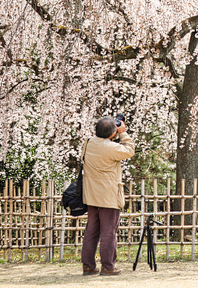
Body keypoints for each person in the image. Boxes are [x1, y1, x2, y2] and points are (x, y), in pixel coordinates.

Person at [81, 116, 135, 276]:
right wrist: (123, 133)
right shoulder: (112, 148)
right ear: (112, 134)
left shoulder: (89, 142)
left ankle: (88, 266)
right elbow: (129, 150)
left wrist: (113, 132)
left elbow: (105, 141)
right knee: (108, 232)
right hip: (109, 196)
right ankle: (108, 266)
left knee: (91, 230)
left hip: (91, 195)